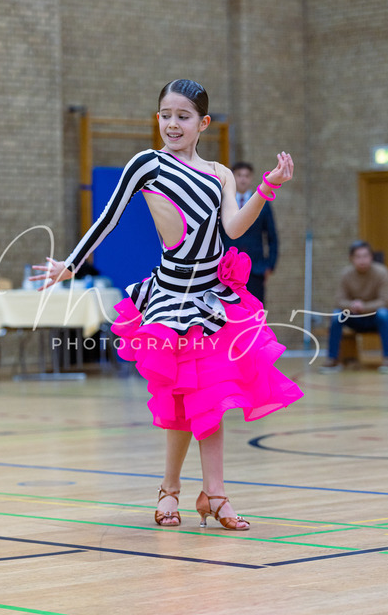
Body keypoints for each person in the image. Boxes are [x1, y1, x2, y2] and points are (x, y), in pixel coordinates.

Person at [32, 79, 303, 531]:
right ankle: (170, 488)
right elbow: (108, 217)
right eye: (166, 115)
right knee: (180, 399)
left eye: (183, 116)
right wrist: (71, 264)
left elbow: (233, 229)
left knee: (212, 398)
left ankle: (215, 494)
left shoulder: (219, 173)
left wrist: (266, 187)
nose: (172, 124)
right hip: (171, 301)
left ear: (203, 123)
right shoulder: (148, 164)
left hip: (213, 300)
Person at [320, 240, 388, 373]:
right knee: (336, 315)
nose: (362, 260)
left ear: (371, 257)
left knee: (383, 314)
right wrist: (352, 305)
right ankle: (332, 359)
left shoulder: (382, 272)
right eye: (358, 257)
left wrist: (364, 306)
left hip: (376, 318)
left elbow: (385, 301)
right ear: (351, 258)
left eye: (365, 256)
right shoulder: (346, 274)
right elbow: (339, 300)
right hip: (355, 317)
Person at [221, 161, 278, 303]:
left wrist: (270, 265)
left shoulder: (263, 203)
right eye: (239, 175)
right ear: (233, 177)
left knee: (254, 308)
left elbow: (272, 236)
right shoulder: (224, 203)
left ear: (251, 178)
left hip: (255, 267)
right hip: (228, 267)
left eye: (246, 176)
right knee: (230, 309)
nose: (243, 179)